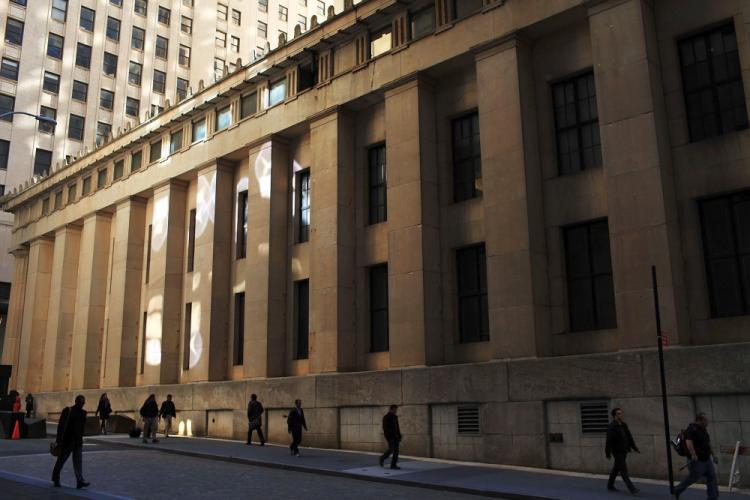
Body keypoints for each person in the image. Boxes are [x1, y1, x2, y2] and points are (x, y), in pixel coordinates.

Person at [673, 413, 718, 500]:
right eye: (705, 420)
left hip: (706, 459)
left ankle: (713, 497)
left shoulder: (703, 430)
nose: (707, 422)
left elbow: (708, 443)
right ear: (699, 420)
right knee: (693, 478)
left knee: (712, 476)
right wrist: (693, 454)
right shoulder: (691, 429)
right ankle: (677, 490)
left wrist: (713, 455)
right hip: (697, 460)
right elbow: (688, 442)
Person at [51, 395, 90, 489]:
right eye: (81, 402)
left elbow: (81, 428)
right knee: (61, 460)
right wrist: (58, 440)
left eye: (83, 402)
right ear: (76, 401)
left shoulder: (83, 413)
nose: (82, 404)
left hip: (78, 441)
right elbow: (61, 426)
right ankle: (56, 478)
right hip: (67, 441)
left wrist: (81, 439)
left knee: (78, 462)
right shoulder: (68, 411)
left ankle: (80, 481)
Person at [605, 407, 640, 494]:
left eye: (621, 413)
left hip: (624, 450)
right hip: (617, 451)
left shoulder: (624, 425)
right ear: (614, 416)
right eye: (618, 413)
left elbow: (629, 437)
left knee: (616, 468)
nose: (620, 415)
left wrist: (634, 447)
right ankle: (632, 489)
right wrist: (608, 453)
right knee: (623, 470)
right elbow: (608, 441)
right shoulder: (611, 427)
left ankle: (610, 485)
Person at [379, 405, 402, 470]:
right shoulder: (386, 417)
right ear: (391, 409)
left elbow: (397, 427)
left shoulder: (395, 417)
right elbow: (385, 428)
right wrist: (389, 436)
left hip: (396, 436)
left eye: (396, 409)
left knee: (396, 451)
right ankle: (382, 458)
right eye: (395, 409)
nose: (396, 411)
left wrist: (399, 435)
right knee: (391, 450)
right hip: (390, 437)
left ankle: (393, 465)